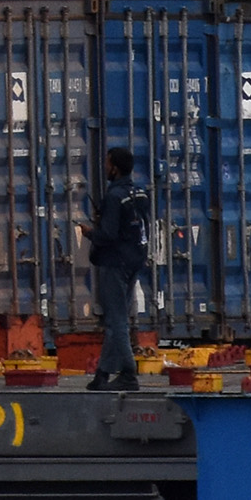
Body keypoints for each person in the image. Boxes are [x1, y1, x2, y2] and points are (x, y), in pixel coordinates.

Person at [84, 144, 152, 391]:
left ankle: (128, 373)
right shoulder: (141, 194)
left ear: (115, 167)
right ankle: (102, 374)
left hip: (115, 262)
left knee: (117, 320)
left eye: (107, 163)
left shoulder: (113, 196)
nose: (105, 167)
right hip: (135, 259)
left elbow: (108, 235)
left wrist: (90, 232)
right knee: (115, 321)